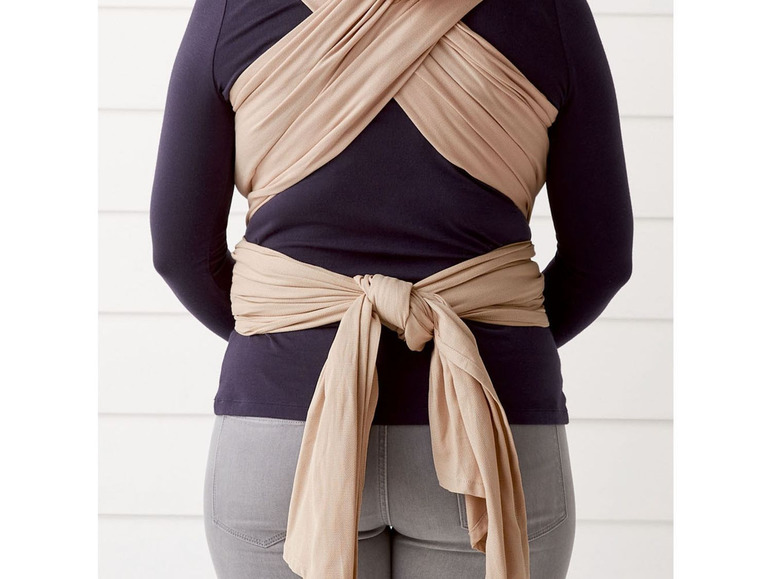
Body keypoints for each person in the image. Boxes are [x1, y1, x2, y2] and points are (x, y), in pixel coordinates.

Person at [149, 0, 633, 577]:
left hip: (280, 439)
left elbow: (180, 252)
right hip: (489, 422)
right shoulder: (548, 10)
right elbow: (601, 260)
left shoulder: (233, 9)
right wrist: (494, 335)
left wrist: (286, 330)